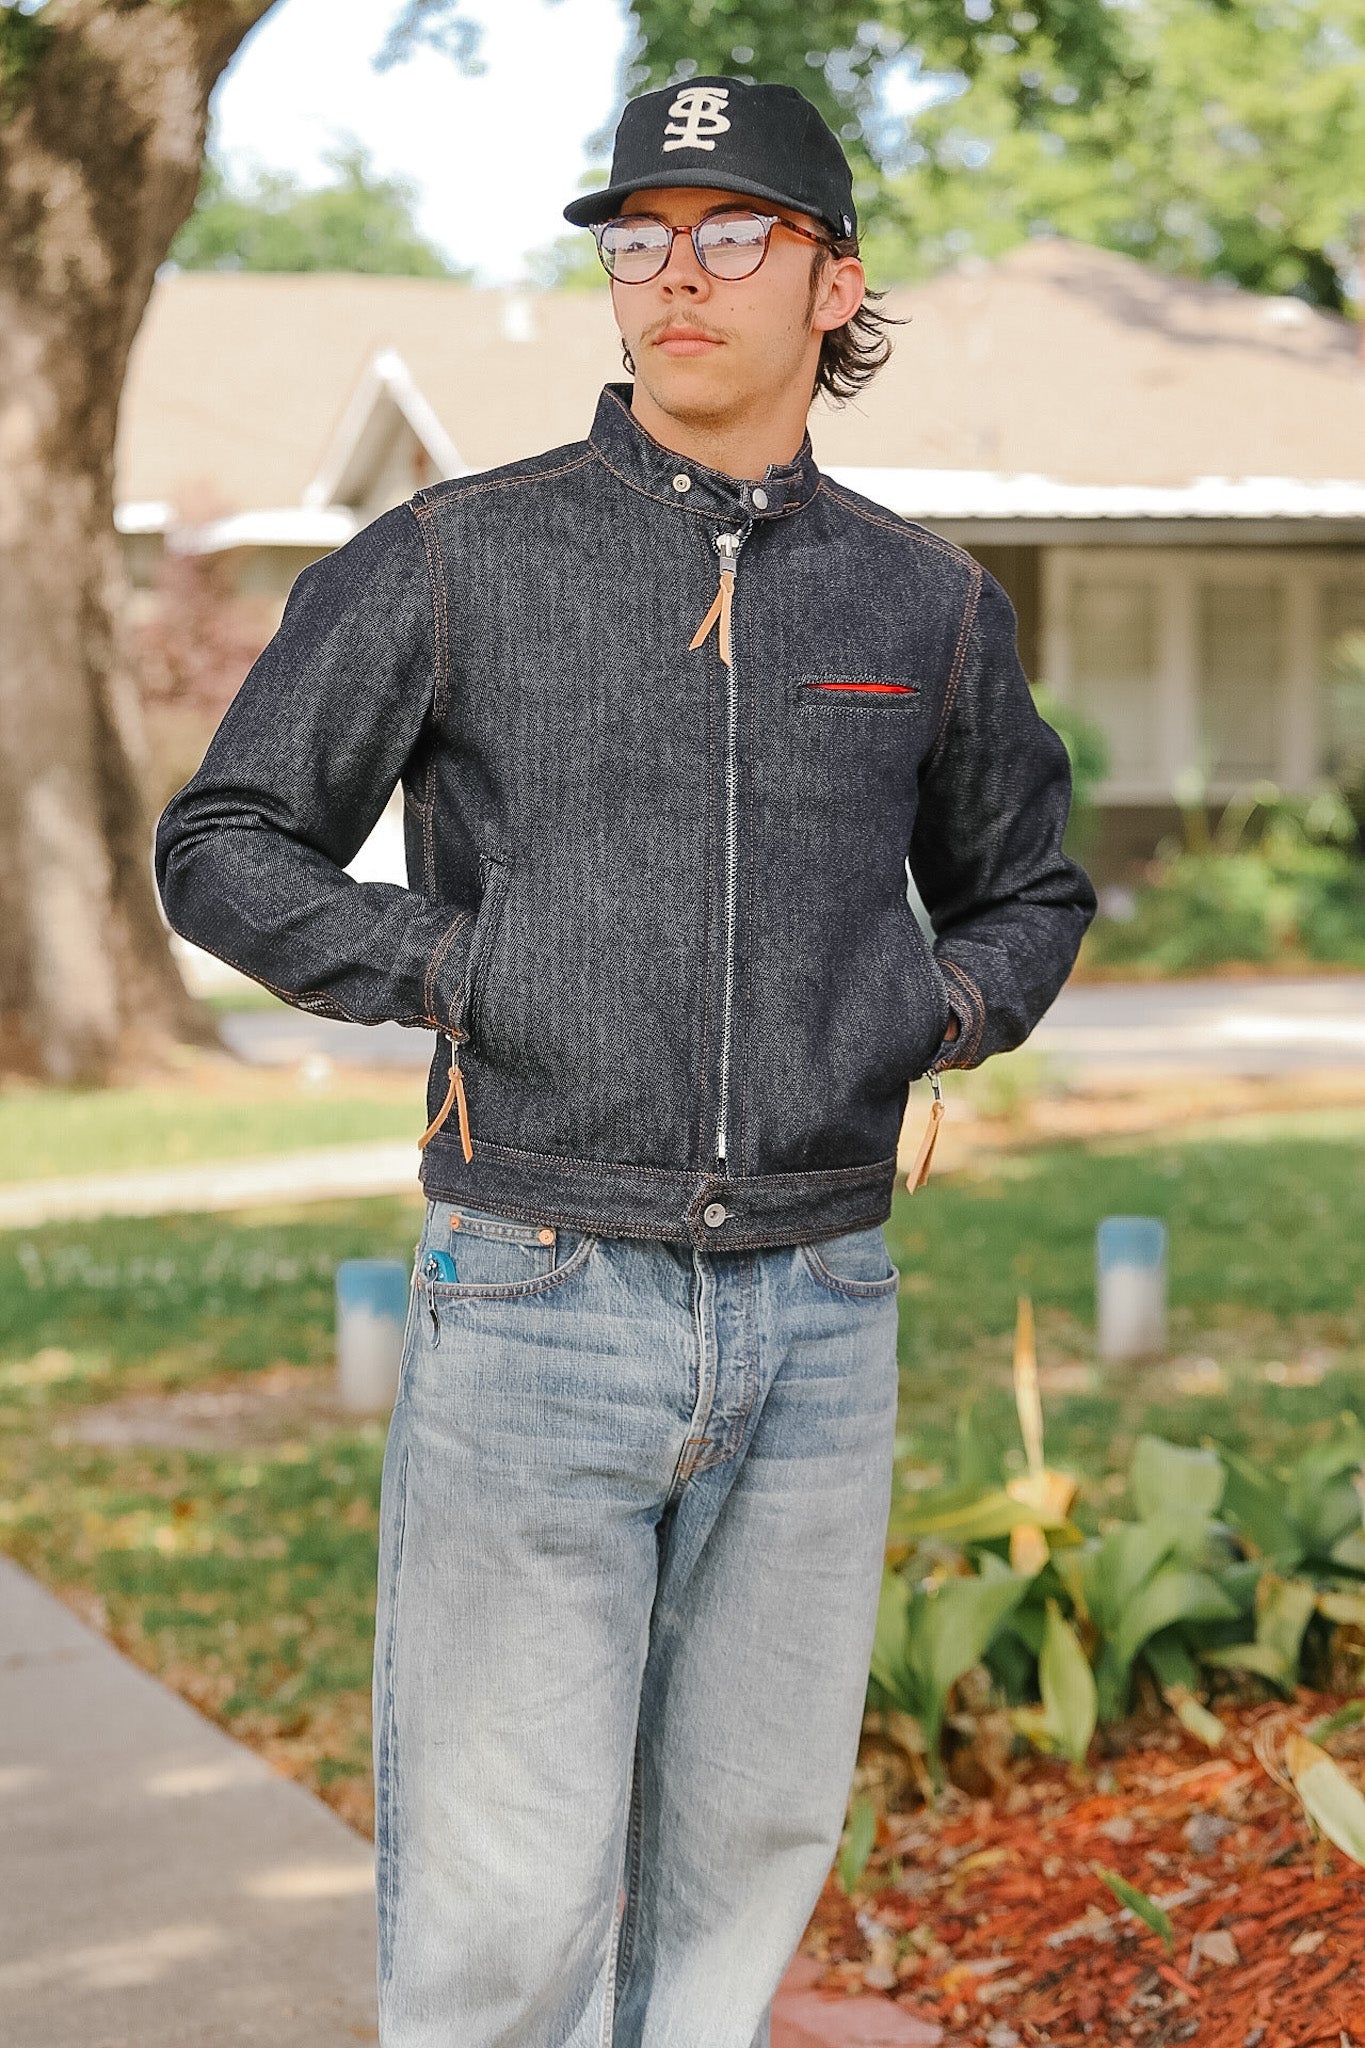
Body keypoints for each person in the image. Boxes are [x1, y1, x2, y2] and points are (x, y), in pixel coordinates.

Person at [154, 73, 1095, 2048]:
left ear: (834, 285)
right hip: (534, 1286)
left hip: (822, 1306)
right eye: (636, 237)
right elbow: (224, 839)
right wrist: (462, 962)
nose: (675, 276)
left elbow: (1025, 889)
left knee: (747, 1837)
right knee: (503, 1895)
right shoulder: (452, 559)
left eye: (731, 235)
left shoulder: (920, 605)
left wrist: (923, 1014)